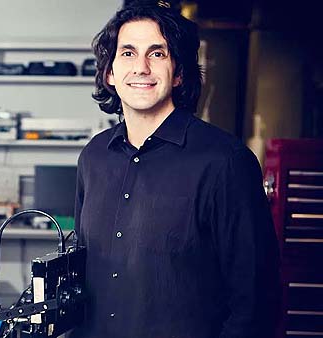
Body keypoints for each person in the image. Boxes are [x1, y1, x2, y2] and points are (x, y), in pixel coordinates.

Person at [72, 1, 280, 337]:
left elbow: (256, 302)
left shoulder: (225, 162)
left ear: (179, 73)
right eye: (127, 53)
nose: (141, 67)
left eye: (157, 54)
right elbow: (82, 275)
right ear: (109, 73)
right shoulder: (94, 157)